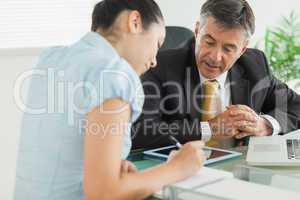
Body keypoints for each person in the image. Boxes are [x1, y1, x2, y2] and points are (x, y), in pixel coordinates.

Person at [14, 1, 206, 200]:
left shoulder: (51, 58)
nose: (155, 60)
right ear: (134, 22)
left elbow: (63, 147)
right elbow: (104, 193)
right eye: (157, 43)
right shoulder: (115, 74)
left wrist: (113, 165)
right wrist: (177, 168)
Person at [132, 0, 300, 150]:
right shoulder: (159, 66)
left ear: (242, 49)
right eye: (209, 42)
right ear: (197, 31)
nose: (215, 56)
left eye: (228, 48)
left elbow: (295, 106)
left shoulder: (255, 65)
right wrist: (210, 128)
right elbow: (141, 130)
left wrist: (266, 125)